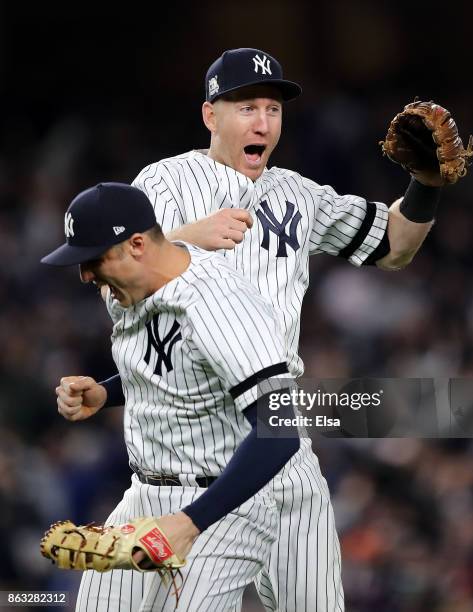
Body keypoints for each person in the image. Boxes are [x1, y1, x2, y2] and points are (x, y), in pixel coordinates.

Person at [126, 48, 444, 612]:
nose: (262, 122)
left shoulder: (298, 194)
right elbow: (115, 275)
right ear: (209, 116)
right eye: (245, 107)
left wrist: (425, 183)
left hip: (280, 439)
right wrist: (185, 239)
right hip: (199, 449)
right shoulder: (164, 182)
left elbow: (394, 246)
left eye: (272, 109)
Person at [41, 182, 301, 611]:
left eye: (92, 260)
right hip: (142, 498)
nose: (86, 275)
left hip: (221, 506)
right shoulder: (128, 288)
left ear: (137, 244)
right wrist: (106, 393)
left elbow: (280, 429)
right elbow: (181, 368)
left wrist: (189, 523)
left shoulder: (219, 303)